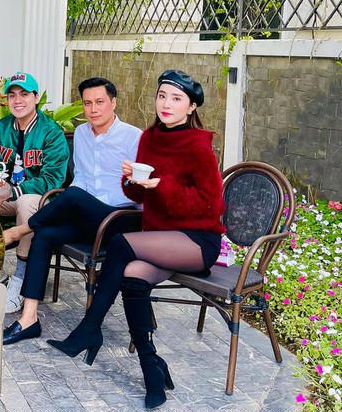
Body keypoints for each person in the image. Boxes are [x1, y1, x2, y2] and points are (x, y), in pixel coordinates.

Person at [45, 69, 226, 409]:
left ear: (190, 107)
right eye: (162, 96)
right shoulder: (150, 138)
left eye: (176, 99)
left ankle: (89, 328)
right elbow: (139, 197)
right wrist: (131, 181)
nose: (166, 104)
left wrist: (163, 185)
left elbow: (211, 205)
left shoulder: (198, 145)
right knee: (132, 277)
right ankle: (151, 367)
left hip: (195, 241)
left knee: (121, 244)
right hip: (159, 237)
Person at [0, 77, 142, 345]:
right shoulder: (81, 134)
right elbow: (81, 180)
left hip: (120, 219)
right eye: (87, 103)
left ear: (113, 103)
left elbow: (144, 190)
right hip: (88, 217)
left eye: (100, 102)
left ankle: (19, 231)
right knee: (44, 235)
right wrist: (66, 207)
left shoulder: (134, 137)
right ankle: (28, 319)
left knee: (72, 196)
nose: (93, 109)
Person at [0, 71, 69, 313]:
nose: (17, 100)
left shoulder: (51, 132)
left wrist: (11, 192)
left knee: (25, 203)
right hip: (7, 195)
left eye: (24, 94)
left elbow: (53, 180)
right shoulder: (1, 127)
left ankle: (21, 279)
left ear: (36, 97)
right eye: (12, 95)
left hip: (41, 201)